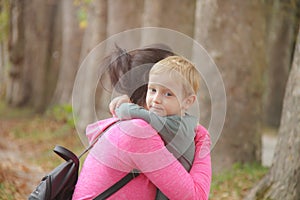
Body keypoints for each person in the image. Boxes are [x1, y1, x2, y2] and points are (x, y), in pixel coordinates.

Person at [72, 45, 211, 200]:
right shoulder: (139, 131)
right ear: (148, 89)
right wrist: (203, 139)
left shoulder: (125, 124)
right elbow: (196, 197)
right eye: (155, 90)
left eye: (169, 93)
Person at [111, 55, 201, 199]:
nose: (156, 99)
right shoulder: (180, 121)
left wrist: (121, 102)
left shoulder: (174, 126)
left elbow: (125, 111)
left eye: (168, 94)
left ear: (187, 102)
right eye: (152, 90)